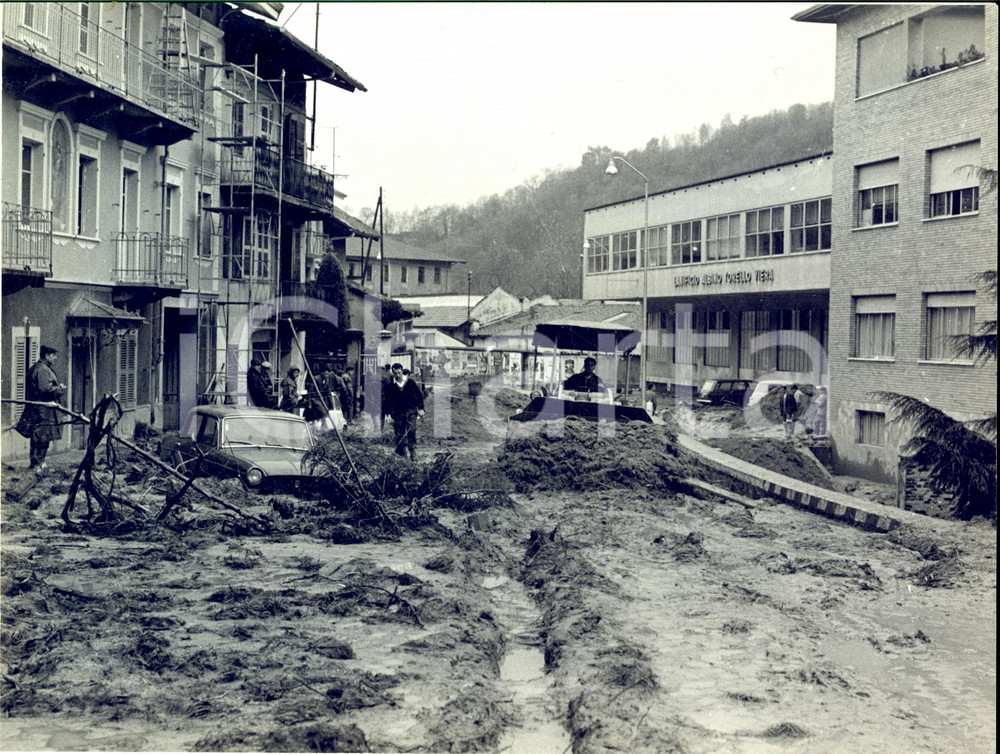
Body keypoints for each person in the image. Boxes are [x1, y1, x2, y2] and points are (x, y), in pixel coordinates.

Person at [15, 345, 66, 471]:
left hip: (41, 409)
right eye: (53, 355)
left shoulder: (41, 368)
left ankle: (38, 464)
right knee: (41, 437)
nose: (55, 358)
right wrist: (59, 389)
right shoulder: (42, 369)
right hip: (42, 410)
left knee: (40, 437)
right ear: (46, 355)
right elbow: (45, 390)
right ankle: (37, 465)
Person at [385, 362, 425, 460]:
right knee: (399, 433)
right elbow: (387, 400)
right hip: (398, 413)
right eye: (395, 373)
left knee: (411, 430)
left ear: (402, 371)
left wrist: (421, 408)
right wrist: (388, 414)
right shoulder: (391, 385)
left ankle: (412, 451)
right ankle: (401, 454)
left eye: (399, 373)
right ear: (393, 373)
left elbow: (419, 395)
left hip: (411, 411)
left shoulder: (410, 382)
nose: (397, 375)